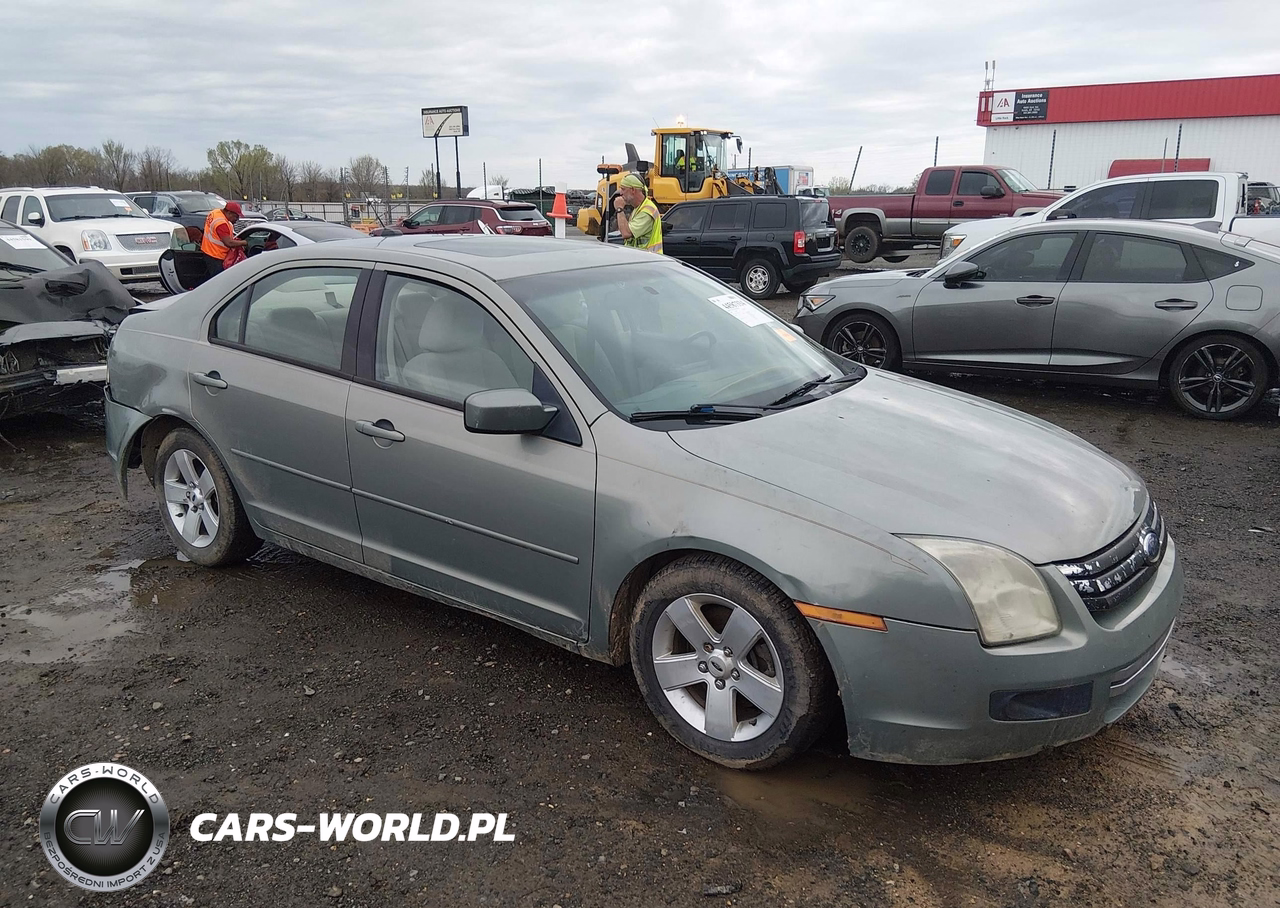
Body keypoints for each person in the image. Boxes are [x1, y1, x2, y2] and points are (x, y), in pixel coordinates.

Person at [612, 173, 663, 254]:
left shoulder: (647, 211)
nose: (620, 193)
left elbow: (626, 233)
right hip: (642, 260)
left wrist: (619, 209)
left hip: (648, 261)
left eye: (623, 189)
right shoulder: (639, 208)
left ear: (633, 190)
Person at [200, 201, 248, 278]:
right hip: (216, 256)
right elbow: (229, 243)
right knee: (219, 281)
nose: (237, 219)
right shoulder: (221, 223)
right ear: (229, 213)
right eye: (236, 216)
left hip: (208, 251)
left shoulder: (215, 212)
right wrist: (244, 242)